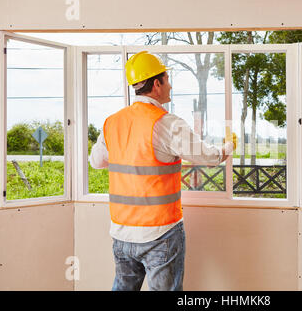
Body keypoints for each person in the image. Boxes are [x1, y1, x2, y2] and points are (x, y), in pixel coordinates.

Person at [89, 51, 237, 291]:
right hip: (160, 234)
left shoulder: (112, 122)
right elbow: (208, 157)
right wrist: (228, 147)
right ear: (156, 83)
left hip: (122, 233)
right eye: (167, 79)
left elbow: (96, 161)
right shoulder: (167, 123)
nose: (170, 85)